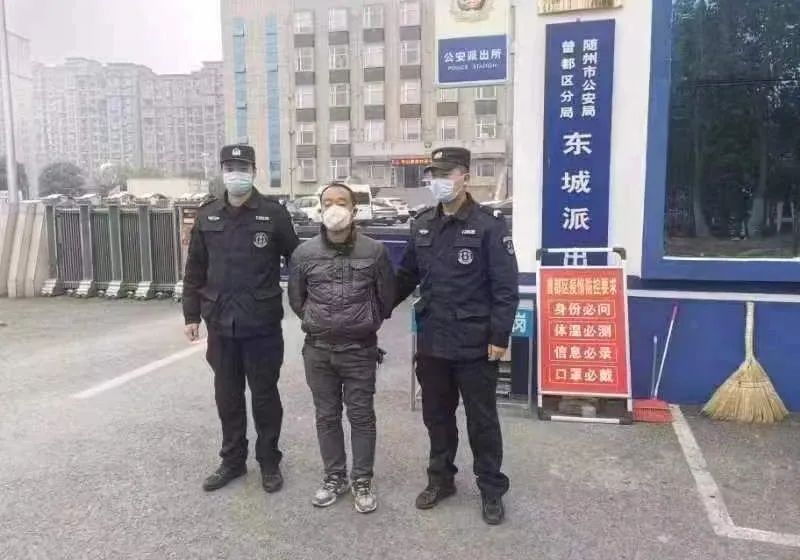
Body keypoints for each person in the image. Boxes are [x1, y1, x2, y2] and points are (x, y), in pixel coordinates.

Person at [394, 147, 519, 525]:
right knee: (437, 417)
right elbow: (405, 277)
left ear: (465, 175)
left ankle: (491, 488)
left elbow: (505, 288)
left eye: (446, 173)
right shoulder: (422, 224)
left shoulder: (489, 225)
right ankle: (441, 479)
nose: (439, 181)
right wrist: (371, 309)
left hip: (475, 342)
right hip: (433, 341)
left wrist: (500, 337)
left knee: (482, 420)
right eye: (434, 174)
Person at [183, 144, 300, 494]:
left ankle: (269, 461)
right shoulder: (208, 215)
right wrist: (191, 314)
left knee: (264, 396)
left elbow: (298, 262)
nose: (236, 173)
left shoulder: (273, 214)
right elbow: (195, 270)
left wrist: (305, 306)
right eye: (230, 167)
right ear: (222, 171)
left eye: (243, 167)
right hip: (221, 322)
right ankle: (233, 461)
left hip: (261, 323)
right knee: (227, 396)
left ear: (253, 171)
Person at [288, 183, 395, 514]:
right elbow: (297, 300)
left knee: (361, 416)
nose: (335, 208)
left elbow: (386, 298)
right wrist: (319, 322)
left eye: (342, 202)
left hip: (359, 350)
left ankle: (362, 479)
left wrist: (364, 322)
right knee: (326, 416)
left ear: (354, 210)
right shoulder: (304, 253)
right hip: (318, 350)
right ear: (320, 209)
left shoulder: (374, 251)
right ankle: (334, 477)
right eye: (328, 202)